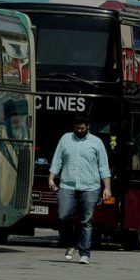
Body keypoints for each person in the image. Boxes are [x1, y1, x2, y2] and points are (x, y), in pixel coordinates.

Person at [48, 113, 111, 265]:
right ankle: (70, 244)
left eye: (82, 128)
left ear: (88, 127)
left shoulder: (96, 142)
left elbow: (103, 166)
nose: (80, 130)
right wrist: (51, 177)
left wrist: (107, 187)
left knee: (86, 221)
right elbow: (57, 160)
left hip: (90, 187)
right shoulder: (65, 139)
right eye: (77, 128)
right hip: (67, 185)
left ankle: (85, 253)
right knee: (63, 216)